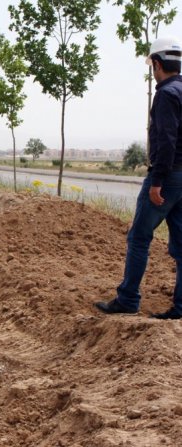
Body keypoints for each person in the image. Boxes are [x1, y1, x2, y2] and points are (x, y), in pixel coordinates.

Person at [95, 36, 182, 319]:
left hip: (167, 177)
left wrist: (157, 181)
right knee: (181, 243)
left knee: (139, 237)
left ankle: (128, 299)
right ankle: (180, 307)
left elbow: (167, 140)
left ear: (156, 64)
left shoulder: (166, 94)